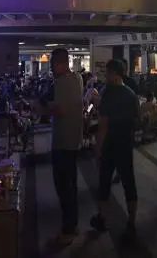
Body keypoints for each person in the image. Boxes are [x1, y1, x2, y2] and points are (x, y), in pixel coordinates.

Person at [90, 59, 140, 242]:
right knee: (129, 183)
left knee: (104, 182)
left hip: (110, 145)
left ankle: (102, 217)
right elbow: (136, 120)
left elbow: (103, 125)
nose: (106, 76)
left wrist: (98, 148)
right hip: (125, 144)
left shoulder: (108, 94)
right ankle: (131, 222)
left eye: (108, 73)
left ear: (115, 74)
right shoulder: (131, 94)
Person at [49, 48, 84, 246]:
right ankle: (73, 224)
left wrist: (44, 108)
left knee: (63, 187)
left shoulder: (61, 82)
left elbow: (60, 110)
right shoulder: (77, 78)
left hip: (62, 141)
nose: (52, 68)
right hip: (74, 140)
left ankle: (68, 230)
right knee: (71, 185)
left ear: (61, 64)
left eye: (53, 64)